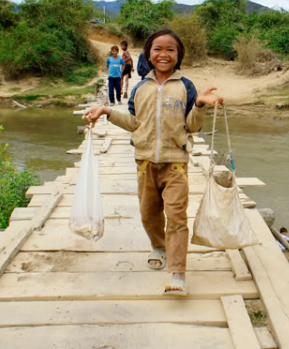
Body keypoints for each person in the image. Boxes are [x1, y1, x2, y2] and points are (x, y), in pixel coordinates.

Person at [84, 28, 223, 297]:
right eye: (158, 48)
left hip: (176, 165)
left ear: (178, 54)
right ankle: (158, 246)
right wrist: (106, 111)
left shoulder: (186, 87)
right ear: (148, 53)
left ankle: (177, 273)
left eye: (170, 49)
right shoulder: (140, 88)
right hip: (145, 163)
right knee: (149, 214)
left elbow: (192, 126)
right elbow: (134, 123)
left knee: (177, 217)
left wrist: (201, 106)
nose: (164, 54)